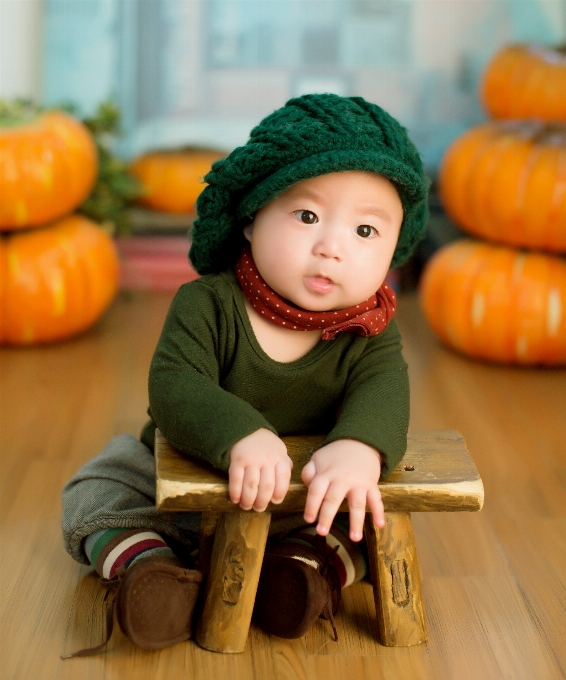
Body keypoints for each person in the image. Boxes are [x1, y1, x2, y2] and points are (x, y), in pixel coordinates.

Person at [61, 93, 428, 654]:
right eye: (307, 216)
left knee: (368, 520)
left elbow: (386, 391)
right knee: (96, 488)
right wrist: (240, 433)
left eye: (365, 232)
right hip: (180, 489)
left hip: (304, 502)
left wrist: (359, 446)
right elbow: (174, 386)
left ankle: (302, 572)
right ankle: (149, 569)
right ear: (252, 220)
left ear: (395, 248)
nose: (331, 247)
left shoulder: (370, 326)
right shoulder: (209, 304)